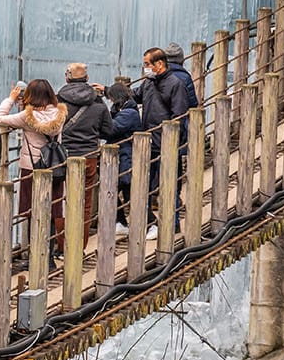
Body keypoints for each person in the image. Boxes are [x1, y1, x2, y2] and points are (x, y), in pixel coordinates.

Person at [0, 78, 65, 255]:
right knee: (50, 211)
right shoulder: (59, 113)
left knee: (33, 212)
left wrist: (11, 99)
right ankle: (47, 256)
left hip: (32, 167)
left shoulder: (27, 117)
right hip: (54, 167)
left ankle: (35, 255)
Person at [137, 47, 194, 236]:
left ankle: (173, 222)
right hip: (150, 142)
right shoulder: (149, 83)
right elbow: (135, 95)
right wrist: (109, 91)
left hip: (168, 143)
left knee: (170, 184)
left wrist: (173, 138)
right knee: (145, 184)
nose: (145, 68)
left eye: (147, 64)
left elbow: (179, 114)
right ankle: (149, 222)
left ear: (159, 64)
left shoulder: (175, 84)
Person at [57, 63, 111, 248]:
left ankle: (62, 245)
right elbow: (107, 130)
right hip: (88, 156)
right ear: (87, 79)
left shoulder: (59, 100)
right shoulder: (97, 102)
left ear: (67, 78)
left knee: (62, 201)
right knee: (85, 203)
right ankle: (80, 245)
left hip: (65, 156)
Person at [105, 78, 143, 230]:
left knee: (128, 193)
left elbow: (111, 129)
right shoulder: (123, 110)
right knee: (115, 191)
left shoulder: (129, 113)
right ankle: (121, 222)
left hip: (126, 156)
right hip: (121, 156)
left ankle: (147, 224)